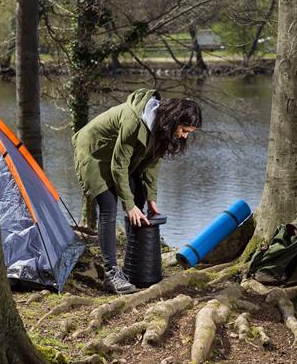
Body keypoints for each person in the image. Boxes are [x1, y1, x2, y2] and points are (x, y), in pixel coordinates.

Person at [72, 88, 202, 294]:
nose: (184, 136)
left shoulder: (161, 127)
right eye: (184, 130)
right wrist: (128, 205)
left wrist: (151, 198)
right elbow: (118, 166)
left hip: (118, 157)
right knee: (108, 208)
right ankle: (111, 274)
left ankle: (135, 268)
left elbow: (152, 164)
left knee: (139, 194)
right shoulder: (134, 121)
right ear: (174, 119)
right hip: (95, 152)